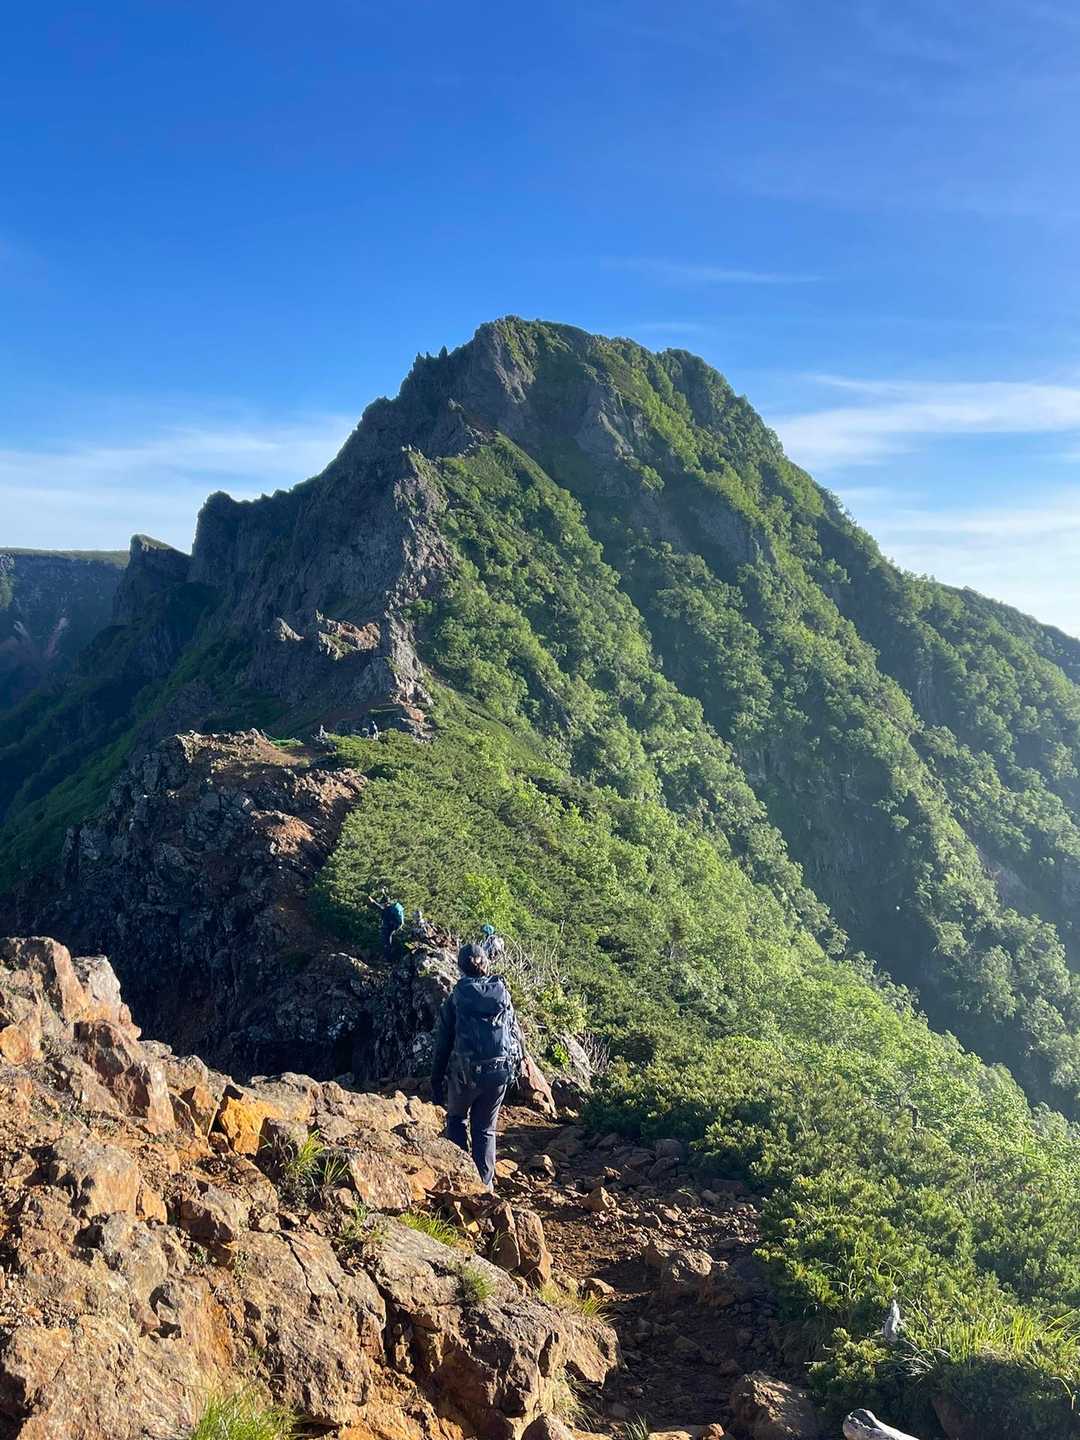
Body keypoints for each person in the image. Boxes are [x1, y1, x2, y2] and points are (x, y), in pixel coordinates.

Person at [430, 941, 523, 1189]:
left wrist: (436, 1081)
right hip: (500, 1071)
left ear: (460, 968)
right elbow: (516, 1035)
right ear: (486, 964)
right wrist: (517, 1069)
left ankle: (460, 1180)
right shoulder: (502, 993)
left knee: (457, 1120)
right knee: (485, 1129)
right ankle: (484, 1186)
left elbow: (443, 1044)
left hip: (466, 1074)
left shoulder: (456, 998)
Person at [368, 892, 405, 959]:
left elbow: (379, 907)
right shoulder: (390, 908)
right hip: (394, 926)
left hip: (390, 927)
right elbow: (381, 905)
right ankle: (388, 955)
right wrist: (383, 893)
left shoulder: (387, 910)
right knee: (387, 940)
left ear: (385, 903)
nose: (382, 905)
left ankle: (388, 957)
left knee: (387, 942)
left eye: (383, 903)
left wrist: (373, 901)